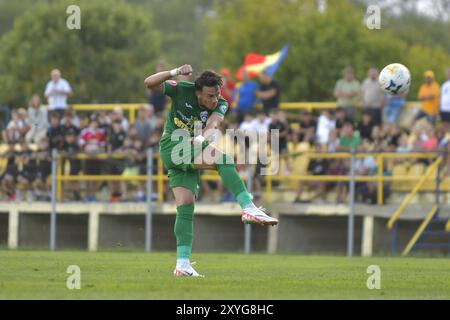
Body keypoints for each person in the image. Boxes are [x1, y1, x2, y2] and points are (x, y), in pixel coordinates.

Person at [144, 65, 278, 277]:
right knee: (223, 159)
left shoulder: (221, 103)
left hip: (192, 145)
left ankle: (182, 264)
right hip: (173, 146)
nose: (214, 99)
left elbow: (214, 124)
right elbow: (149, 83)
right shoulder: (181, 89)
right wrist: (174, 72)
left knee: (186, 206)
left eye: (216, 94)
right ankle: (248, 206)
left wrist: (201, 138)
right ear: (197, 92)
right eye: (209, 96)